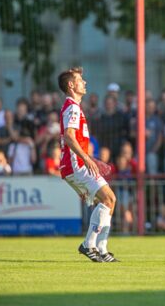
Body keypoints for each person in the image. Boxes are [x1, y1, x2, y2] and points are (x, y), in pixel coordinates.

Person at [57, 67, 119, 262]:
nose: (84, 83)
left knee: (109, 201)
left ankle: (100, 248)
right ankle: (89, 244)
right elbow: (69, 136)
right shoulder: (72, 107)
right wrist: (87, 158)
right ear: (71, 85)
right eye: (80, 80)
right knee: (108, 199)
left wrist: (90, 158)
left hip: (75, 164)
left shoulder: (73, 106)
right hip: (76, 164)